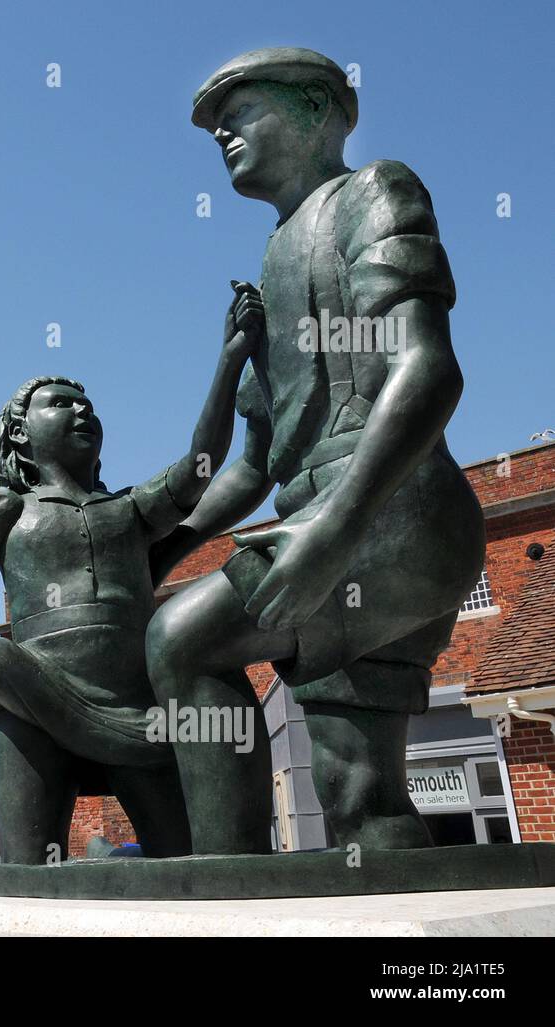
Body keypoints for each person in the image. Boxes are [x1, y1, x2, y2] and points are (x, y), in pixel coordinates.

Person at [146, 48, 485, 854]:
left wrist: (333, 529)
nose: (222, 130)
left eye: (242, 109)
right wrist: (160, 551)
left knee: (180, 641)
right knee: (360, 802)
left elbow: (428, 369)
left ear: (318, 110)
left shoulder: (374, 192)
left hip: (389, 513)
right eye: (214, 124)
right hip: (325, 534)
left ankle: (225, 871)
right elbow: (255, 464)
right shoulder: (269, 268)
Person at [0, 284, 262, 864]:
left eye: (88, 405)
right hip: (32, 700)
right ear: (20, 433)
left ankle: (109, 856)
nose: (82, 410)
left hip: (138, 709)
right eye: (59, 403)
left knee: (185, 862)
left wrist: (230, 359)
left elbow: (202, 463)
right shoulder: (5, 511)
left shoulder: (129, 510)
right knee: (28, 873)